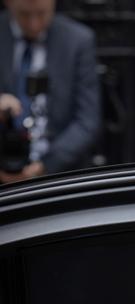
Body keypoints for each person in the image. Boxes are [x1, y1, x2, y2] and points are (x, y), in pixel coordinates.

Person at [0, 0, 101, 183]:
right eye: (24, 14)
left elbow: (87, 121)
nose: (34, 24)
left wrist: (45, 166)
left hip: (59, 176)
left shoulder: (78, 40)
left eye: (42, 14)